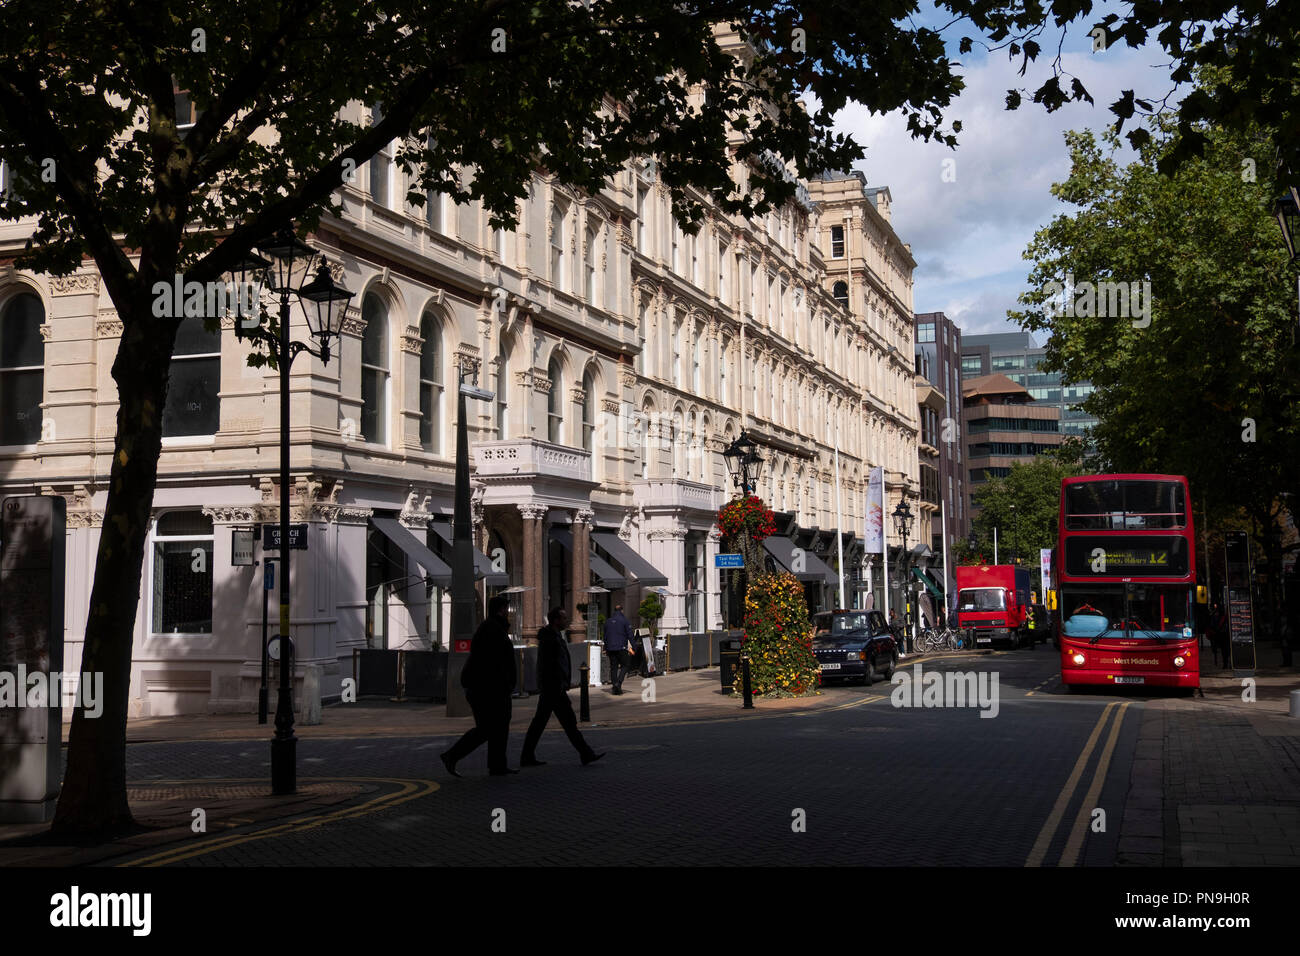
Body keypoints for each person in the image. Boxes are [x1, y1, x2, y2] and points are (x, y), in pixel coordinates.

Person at [441, 595, 517, 777]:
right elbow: (493, 662)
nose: (508, 612)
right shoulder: (492, 628)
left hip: (489, 687)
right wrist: (503, 684)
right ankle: (452, 756)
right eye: (506, 608)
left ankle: (497, 765)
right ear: (500, 609)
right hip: (487, 689)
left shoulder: (493, 627)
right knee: (489, 728)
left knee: (496, 727)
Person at [520, 608, 604, 767]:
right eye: (564, 618)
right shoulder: (550, 638)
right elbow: (549, 665)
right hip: (553, 688)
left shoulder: (555, 636)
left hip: (554, 687)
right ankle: (586, 753)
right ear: (556, 620)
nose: (566, 621)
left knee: (549, 723)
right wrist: (557, 683)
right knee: (565, 722)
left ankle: (527, 756)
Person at [603, 603, 634, 694]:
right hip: (621, 647)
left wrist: (606, 647)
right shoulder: (624, 620)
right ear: (622, 610)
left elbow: (605, 636)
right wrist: (634, 646)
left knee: (613, 667)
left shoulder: (608, 621)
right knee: (626, 665)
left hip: (611, 648)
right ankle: (619, 683)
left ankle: (614, 685)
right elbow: (630, 635)